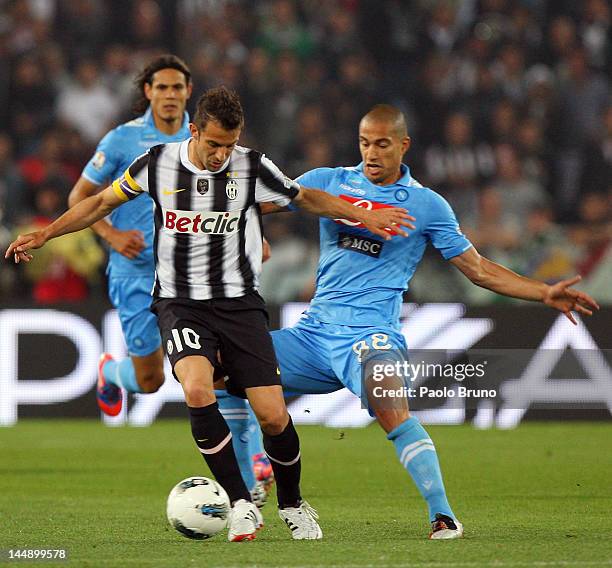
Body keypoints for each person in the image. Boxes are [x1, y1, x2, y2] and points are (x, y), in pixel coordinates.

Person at [5, 88, 414, 542]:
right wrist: (46, 234)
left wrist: (366, 215)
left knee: (274, 417)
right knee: (198, 389)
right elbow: (100, 203)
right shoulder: (156, 163)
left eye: (230, 144)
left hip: (240, 306)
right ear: (195, 131)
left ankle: (294, 505)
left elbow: (306, 199)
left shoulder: (251, 166)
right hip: (181, 304)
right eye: (215, 143)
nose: (223, 154)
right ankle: (239, 502)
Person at [261, 104, 599, 540]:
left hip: (371, 333)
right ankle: (256, 489)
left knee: (387, 397)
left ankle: (442, 514)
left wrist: (542, 291)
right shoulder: (327, 180)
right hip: (312, 332)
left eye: (382, 144)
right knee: (222, 368)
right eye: (365, 143)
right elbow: (255, 204)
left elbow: (478, 269)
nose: (372, 153)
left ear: (403, 145)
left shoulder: (425, 204)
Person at [69, 55, 272, 505]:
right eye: (161, 88)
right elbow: (81, 197)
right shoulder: (123, 140)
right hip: (136, 272)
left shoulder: (204, 136)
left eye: (177, 88)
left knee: (225, 369)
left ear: (187, 92)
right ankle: (111, 372)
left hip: (199, 276)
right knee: (149, 381)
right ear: (147, 92)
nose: (169, 95)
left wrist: (257, 235)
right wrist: (112, 234)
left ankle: (253, 464)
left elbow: (241, 188)